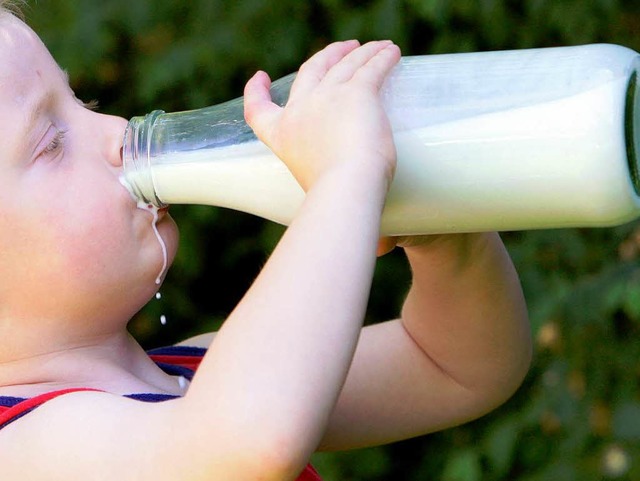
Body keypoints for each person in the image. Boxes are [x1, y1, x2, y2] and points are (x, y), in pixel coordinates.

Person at [0, 3, 532, 480]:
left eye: (80, 101)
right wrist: (345, 174)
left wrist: (442, 240)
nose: (116, 130)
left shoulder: (197, 377)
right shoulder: (23, 450)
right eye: (52, 143)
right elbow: (243, 444)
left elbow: (457, 367)